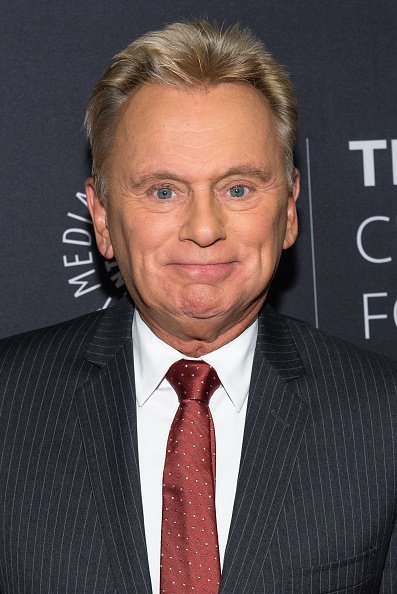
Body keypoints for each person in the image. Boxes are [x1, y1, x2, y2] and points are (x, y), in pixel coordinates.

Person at [0, 20, 396, 594]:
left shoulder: (383, 418)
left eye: (238, 188)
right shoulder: (10, 408)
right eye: (164, 191)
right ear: (103, 219)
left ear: (288, 210)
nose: (205, 228)